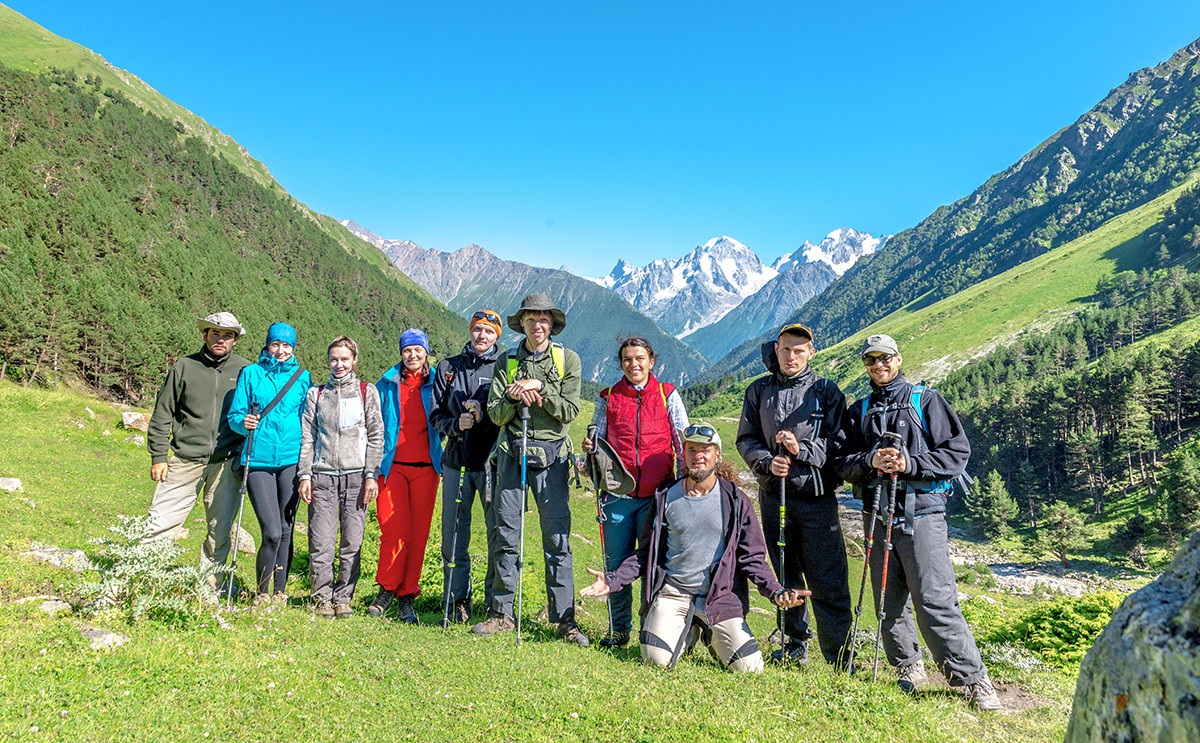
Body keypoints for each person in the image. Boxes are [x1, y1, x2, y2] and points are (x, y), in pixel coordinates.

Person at [836, 333, 1003, 710]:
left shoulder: (925, 400)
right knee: (887, 600)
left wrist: (910, 464)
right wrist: (869, 462)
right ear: (865, 365)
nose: (878, 366)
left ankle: (974, 679)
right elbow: (840, 462)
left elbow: (957, 453)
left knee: (934, 599)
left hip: (923, 512)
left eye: (885, 358)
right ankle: (908, 667)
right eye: (870, 360)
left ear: (898, 359)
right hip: (876, 513)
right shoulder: (859, 410)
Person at [580, 424, 809, 672]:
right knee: (656, 660)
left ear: (717, 455)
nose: (698, 456)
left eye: (705, 450)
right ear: (684, 454)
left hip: (720, 597)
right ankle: (686, 631)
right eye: (692, 450)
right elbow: (646, 552)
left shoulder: (735, 500)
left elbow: (752, 559)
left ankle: (709, 634)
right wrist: (613, 580)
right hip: (673, 593)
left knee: (749, 667)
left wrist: (775, 592)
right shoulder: (665, 496)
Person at [735, 323, 853, 667]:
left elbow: (840, 444)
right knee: (785, 573)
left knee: (828, 578)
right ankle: (793, 643)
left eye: (799, 350)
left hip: (817, 499)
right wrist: (766, 462)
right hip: (774, 497)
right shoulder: (758, 390)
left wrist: (802, 449)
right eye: (786, 349)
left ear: (811, 353)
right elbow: (746, 439)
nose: (791, 356)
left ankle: (839, 655)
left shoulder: (827, 392)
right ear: (777, 350)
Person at [474, 293, 586, 645]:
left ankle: (565, 620)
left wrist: (539, 387)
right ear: (521, 323)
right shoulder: (507, 361)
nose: (538, 325)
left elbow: (569, 411)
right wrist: (511, 396)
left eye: (544, 320)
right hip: (512, 453)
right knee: (506, 534)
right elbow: (495, 414)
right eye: (531, 319)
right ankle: (501, 613)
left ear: (551, 324)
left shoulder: (568, 359)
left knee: (558, 539)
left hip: (552, 458)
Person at [583, 337, 689, 647]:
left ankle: (649, 629)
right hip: (617, 495)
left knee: (652, 565)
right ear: (621, 363)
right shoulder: (609, 397)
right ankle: (618, 631)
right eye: (627, 359)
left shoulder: (667, 394)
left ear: (651, 361)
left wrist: (683, 484)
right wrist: (590, 448)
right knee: (615, 565)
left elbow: (681, 441)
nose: (634, 364)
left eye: (640, 358)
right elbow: (597, 438)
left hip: (658, 495)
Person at [145, 312, 252, 590]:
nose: (220, 339)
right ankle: (142, 577)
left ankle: (210, 586)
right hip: (185, 460)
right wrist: (158, 456)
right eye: (214, 333)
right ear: (205, 335)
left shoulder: (245, 371)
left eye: (227, 335)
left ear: (235, 340)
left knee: (219, 531)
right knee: (160, 524)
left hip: (227, 464)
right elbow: (162, 413)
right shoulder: (184, 367)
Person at [298, 336, 384, 620]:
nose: (339, 364)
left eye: (344, 359)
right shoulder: (316, 394)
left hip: (357, 477)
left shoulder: (366, 391)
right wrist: (305, 474)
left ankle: (344, 597)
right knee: (321, 540)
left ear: (354, 360)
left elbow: (376, 435)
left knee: (352, 541)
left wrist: (372, 474)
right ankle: (322, 597)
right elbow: (308, 438)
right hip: (322, 476)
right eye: (334, 359)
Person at [228, 322, 312, 608]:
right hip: (258, 458)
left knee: (286, 529)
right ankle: (262, 593)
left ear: (293, 348)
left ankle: (279, 592)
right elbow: (235, 415)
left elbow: (306, 418)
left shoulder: (302, 377)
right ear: (267, 345)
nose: (281, 350)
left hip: (290, 458)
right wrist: (243, 423)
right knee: (272, 531)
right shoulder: (251, 373)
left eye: (287, 346)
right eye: (276, 344)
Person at [429, 310, 505, 626]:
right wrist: (455, 426)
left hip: (492, 465)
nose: (481, 336)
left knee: (497, 536)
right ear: (470, 332)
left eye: (488, 331)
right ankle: (458, 601)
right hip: (455, 463)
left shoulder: (505, 367)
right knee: (453, 536)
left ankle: (495, 607)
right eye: (477, 330)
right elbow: (434, 417)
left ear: (497, 336)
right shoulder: (448, 367)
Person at [371, 328, 445, 624]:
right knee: (393, 530)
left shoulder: (439, 380)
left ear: (426, 351)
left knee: (418, 535)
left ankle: (406, 596)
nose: (413, 355)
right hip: (392, 467)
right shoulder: (387, 382)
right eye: (407, 351)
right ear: (400, 353)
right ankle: (386, 589)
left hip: (427, 468)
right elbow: (372, 420)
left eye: (418, 350)